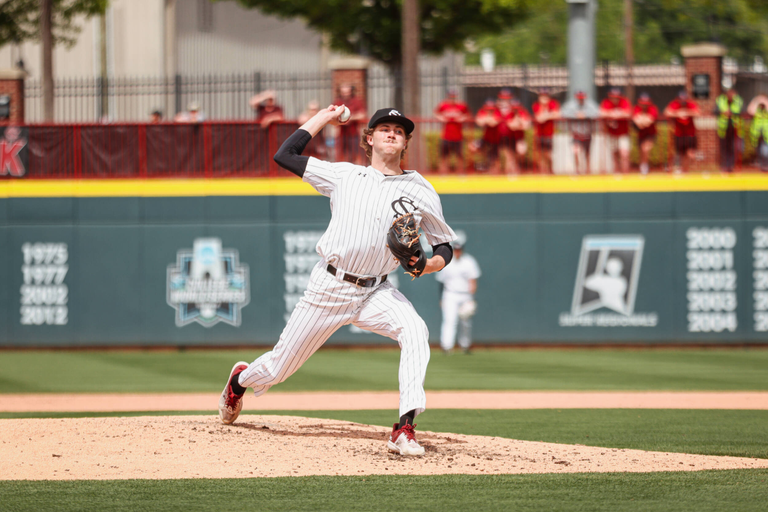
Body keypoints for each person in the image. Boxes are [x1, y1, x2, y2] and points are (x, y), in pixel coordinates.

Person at [217, 105, 457, 457]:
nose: (392, 133)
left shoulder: (420, 189)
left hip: (377, 289)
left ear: (405, 142)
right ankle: (240, 380)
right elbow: (285, 155)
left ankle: (404, 428)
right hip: (330, 287)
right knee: (277, 369)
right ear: (370, 138)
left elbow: (444, 246)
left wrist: (428, 265)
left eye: (399, 130)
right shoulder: (343, 175)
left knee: (415, 330)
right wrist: (325, 117)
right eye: (384, 128)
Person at [435, 236, 481, 354]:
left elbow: (472, 281)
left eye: (459, 249)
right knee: (450, 320)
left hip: (465, 295)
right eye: (455, 250)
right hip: (450, 294)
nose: (457, 252)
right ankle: (446, 346)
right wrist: (441, 298)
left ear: (462, 250)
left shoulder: (469, 262)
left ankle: (465, 345)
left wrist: (472, 299)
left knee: (465, 322)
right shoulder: (447, 262)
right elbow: (441, 281)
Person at [561, 91, 598, 174]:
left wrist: (585, 115)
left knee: (587, 152)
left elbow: (597, 113)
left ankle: (588, 170)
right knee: (576, 152)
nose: (581, 100)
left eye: (582, 98)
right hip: (576, 133)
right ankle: (577, 170)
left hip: (587, 133)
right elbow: (563, 113)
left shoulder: (590, 104)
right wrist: (575, 115)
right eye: (579, 98)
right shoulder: (571, 105)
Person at [433, 89, 471, 174]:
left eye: (453, 97)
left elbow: (468, 115)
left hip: (458, 136)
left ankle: (460, 173)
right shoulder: (443, 105)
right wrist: (441, 118)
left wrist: (462, 118)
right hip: (446, 135)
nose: (452, 99)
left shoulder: (462, 106)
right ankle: (443, 173)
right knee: (444, 156)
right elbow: (436, 113)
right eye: (450, 97)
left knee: (459, 156)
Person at [664, 90, 700, 173]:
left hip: (690, 133)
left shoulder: (690, 104)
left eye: (684, 99)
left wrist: (686, 112)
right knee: (680, 153)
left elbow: (698, 113)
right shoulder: (675, 104)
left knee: (690, 153)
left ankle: (685, 170)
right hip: (679, 133)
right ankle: (675, 169)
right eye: (681, 99)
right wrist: (678, 113)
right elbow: (667, 112)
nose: (683, 101)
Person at [497, 89, 531, 174]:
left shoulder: (519, 110)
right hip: (504, 135)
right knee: (508, 155)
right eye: (503, 99)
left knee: (519, 153)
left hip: (516, 136)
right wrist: (519, 123)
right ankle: (509, 172)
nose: (505, 100)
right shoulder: (499, 109)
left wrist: (519, 123)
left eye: (507, 99)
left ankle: (514, 170)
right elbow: (512, 125)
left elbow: (527, 124)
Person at [599, 87, 632, 173]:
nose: (615, 99)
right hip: (611, 133)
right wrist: (614, 114)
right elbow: (601, 113)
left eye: (617, 97)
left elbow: (628, 113)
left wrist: (614, 114)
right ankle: (617, 172)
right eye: (612, 97)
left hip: (623, 133)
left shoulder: (624, 101)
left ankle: (625, 173)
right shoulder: (606, 102)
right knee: (614, 153)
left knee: (624, 154)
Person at [333, 83, 367, 164]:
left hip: (354, 133)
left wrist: (349, 118)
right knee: (341, 155)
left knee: (356, 154)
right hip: (341, 134)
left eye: (347, 92)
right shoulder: (338, 102)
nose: (345, 94)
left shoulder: (356, 101)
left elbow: (362, 114)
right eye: (343, 92)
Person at [714, 87, 744, 173]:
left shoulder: (738, 100)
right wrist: (723, 113)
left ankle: (732, 165)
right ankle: (725, 166)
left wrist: (732, 113)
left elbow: (743, 111)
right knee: (724, 148)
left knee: (734, 148)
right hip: (723, 128)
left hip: (735, 128)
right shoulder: (720, 100)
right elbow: (714, 111)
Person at [532, 88, 560, 174]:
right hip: (539, 133)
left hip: (549, 134)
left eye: (546, 96)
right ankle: (542, 171)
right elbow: (539, 118)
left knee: (549, 154)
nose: (544, 98)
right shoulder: (536, 105)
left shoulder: (553, 103)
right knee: (540, 154)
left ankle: (550, 170)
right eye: (542, 96)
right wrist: (549, 114)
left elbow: (557, 115)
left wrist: (546, 115)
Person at [632, 93, 659, 175]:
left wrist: (642, 119)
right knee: (641, 152)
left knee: (645, 149)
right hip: (641, 134)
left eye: (646, 104)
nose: (644, 106)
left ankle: (645, 169)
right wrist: (644, 120)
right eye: (642, 104)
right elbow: (638, 123)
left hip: (651, 133)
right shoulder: (636, 108)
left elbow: (648, 122)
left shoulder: (653, 108)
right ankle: (643, 168)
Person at [474, 97, 502, 173]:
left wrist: (486, 119)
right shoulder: (482, 110)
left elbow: (493, 123)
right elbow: (479, 122)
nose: (489, 110)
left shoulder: (497, 111)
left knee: (495, 156)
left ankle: (495, 171)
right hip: (486, 138)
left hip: (496, 138)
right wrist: (488, 119)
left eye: (491, 108)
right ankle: (483, 166)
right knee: (474, 147)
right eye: (488, 108)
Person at [748, 94, 768, 172]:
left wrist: (765, 102)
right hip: (757, 133)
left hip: (766, 133)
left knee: (765, 149)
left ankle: (766, 165)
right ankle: (762, 164)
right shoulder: (757, 109)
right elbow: (750, 111)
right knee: (759, 149)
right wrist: (757, 101)